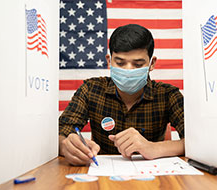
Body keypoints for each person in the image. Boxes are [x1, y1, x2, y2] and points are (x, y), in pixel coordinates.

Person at [59, 24, 184, 166]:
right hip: (102, 177)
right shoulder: (90, 89)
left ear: (151, 63)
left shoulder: (168, 95)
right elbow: (61, 133)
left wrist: (154, 148)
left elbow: (195, 141)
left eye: (137, 64)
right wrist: (66, 146)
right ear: (109, 61)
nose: (128, 70)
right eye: (120, 63)